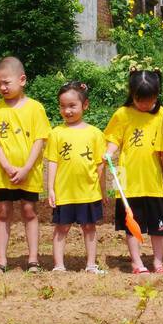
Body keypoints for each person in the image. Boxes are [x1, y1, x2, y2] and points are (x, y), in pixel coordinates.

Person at [0, 57, 51, 273]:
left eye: (6, 82)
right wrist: (7, 166)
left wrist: (26, 168)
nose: (2, 87)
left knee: (29, 211)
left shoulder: (35, 108)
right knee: (3, 212)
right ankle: (1, 260)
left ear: (22, 80)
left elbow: (40, 139)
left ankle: (32, 259)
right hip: (3, 174)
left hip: (28, 173)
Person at [104, 70, 163, 274]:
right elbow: (113, 139)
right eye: (139, 99)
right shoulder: (122, 114)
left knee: (158, 227)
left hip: (153, 181)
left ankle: (158, 262)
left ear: (157, 95)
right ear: (132, 94)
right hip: (128, 180)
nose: (144, 104)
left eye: (149, 100)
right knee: (131, 223)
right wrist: (108, 153)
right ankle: (137, 263)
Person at [44, 82, 108, 273]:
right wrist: (51, 189)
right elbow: (52, 162)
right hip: (65, 192)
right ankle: (59, 265)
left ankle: (90, 264)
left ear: (85, 105)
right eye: (63, 106)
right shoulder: (56, 133)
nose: (67, 110)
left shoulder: (95, 134)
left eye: (72, 106)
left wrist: (102, 191)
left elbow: (100, 165)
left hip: (88, 192)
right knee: (61, 228)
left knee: (89, 227)